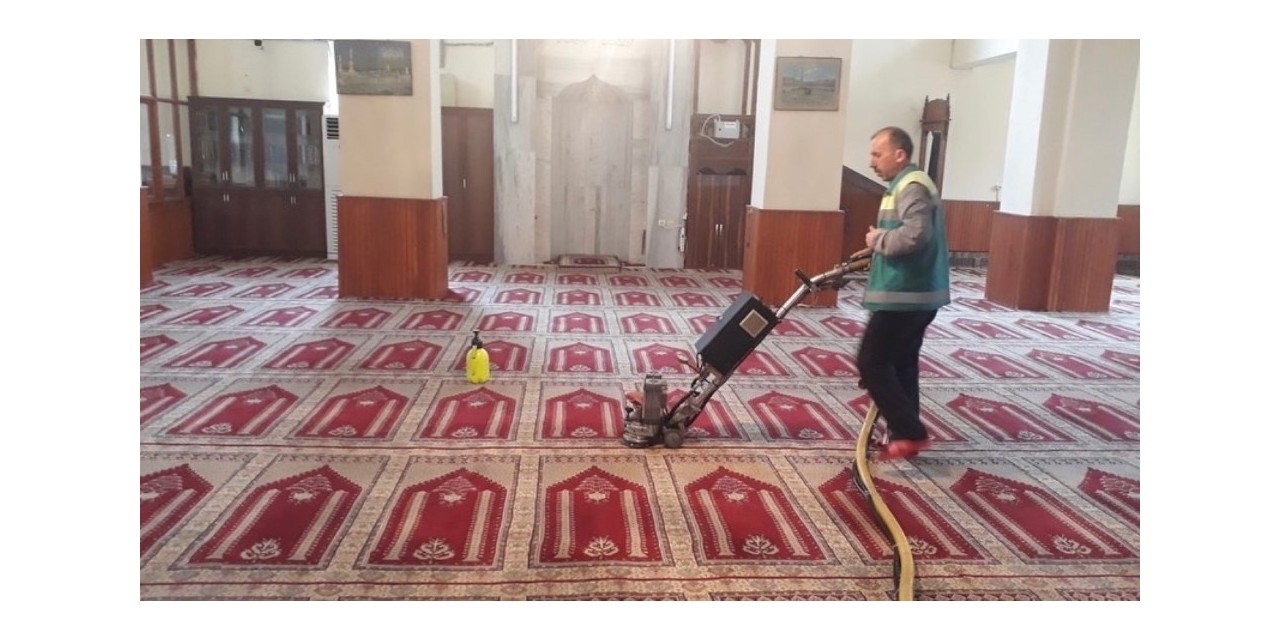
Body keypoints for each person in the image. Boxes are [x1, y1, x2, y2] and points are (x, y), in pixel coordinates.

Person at [857, 126, 951, 461]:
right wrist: (876, 247)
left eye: (877, 154)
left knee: (871, 362)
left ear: (900, 154)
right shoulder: (903, 185)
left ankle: (910, 431)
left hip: (904, 296)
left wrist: (877, 240)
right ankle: (903, 435)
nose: (871, 162)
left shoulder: (911, 186)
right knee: (901, 364)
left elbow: (915, 235)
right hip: (916, 294)